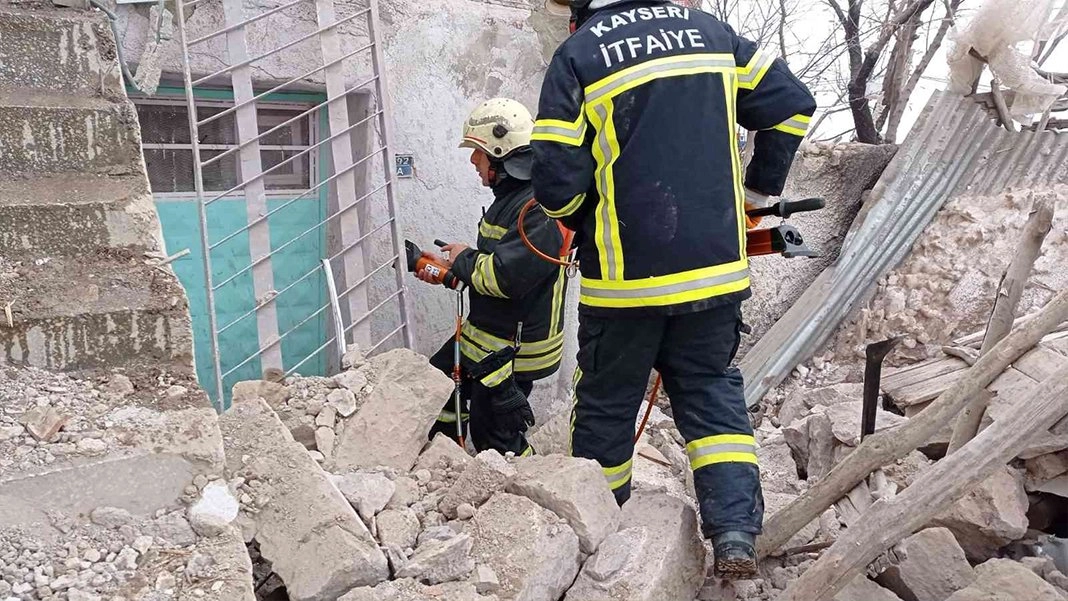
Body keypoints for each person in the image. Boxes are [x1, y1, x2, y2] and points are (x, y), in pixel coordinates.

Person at [531, 0, 817, 578]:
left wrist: (589, 217)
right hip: (715, 275)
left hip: (625, 286)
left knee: (608, 405)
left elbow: (558, 188)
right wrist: (756, 195)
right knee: (710, 394)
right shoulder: (713, 34)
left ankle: (601, 540)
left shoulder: (580, 54)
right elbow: (792, 105)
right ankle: (734, 533)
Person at [418, 98, 569, 457]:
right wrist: (450, 271)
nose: (474, 160)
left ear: (502, 155)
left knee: (496, 440)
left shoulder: (537, 209)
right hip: (486, 336)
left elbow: (507, 278)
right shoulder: (512, 199)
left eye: (480, 152)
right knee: (435, 387)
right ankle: (443, 464)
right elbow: (498, 264)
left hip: (513, 350)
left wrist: (463, 259)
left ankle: (521, 484)